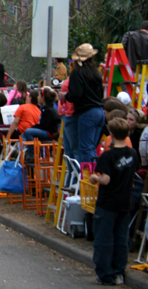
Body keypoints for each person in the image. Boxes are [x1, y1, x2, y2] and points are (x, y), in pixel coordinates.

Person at [89, 118, 139, 286]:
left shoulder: (107, 156)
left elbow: (106, 179)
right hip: (125, 200)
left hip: (108, 201)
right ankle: (119, 271)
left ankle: (105, 273)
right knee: (121, 238)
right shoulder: (133, 154)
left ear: (110, 133)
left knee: (104, 239)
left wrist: (94, 178)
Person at [59, 44, 105, 163]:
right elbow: (101, 93)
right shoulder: (96, 72)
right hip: (99, 111)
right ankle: (94, 173)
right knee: (91, 148)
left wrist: (65, 96)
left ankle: (87, 178)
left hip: (87, 112)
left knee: (85, 149)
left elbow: (76, 94)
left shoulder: (77, 73)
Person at [21, 89, 60, 162]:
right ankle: (19, 150)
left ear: (43, 98)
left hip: (49, 132)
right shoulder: (44, 108)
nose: (38, 97)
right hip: (45, 130)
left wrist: (32, 127)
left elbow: (44, 126)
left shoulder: (49, 110)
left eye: (39, 95)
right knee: (23, 134)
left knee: (29, 131)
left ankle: (32, 154)